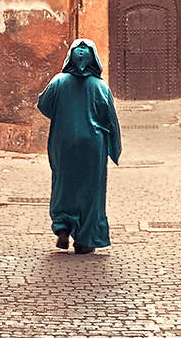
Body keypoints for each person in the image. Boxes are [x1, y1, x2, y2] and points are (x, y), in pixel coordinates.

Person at [37, 38, 122, 252]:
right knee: (91, 191)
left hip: (63, 144)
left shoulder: (58, 82)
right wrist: (114, 147)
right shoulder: (101, 87)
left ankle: (63, 226)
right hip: (92, 146)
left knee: (63, 184)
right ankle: (85, 240)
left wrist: (63, 113)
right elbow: (111, 120)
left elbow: (44, 105)